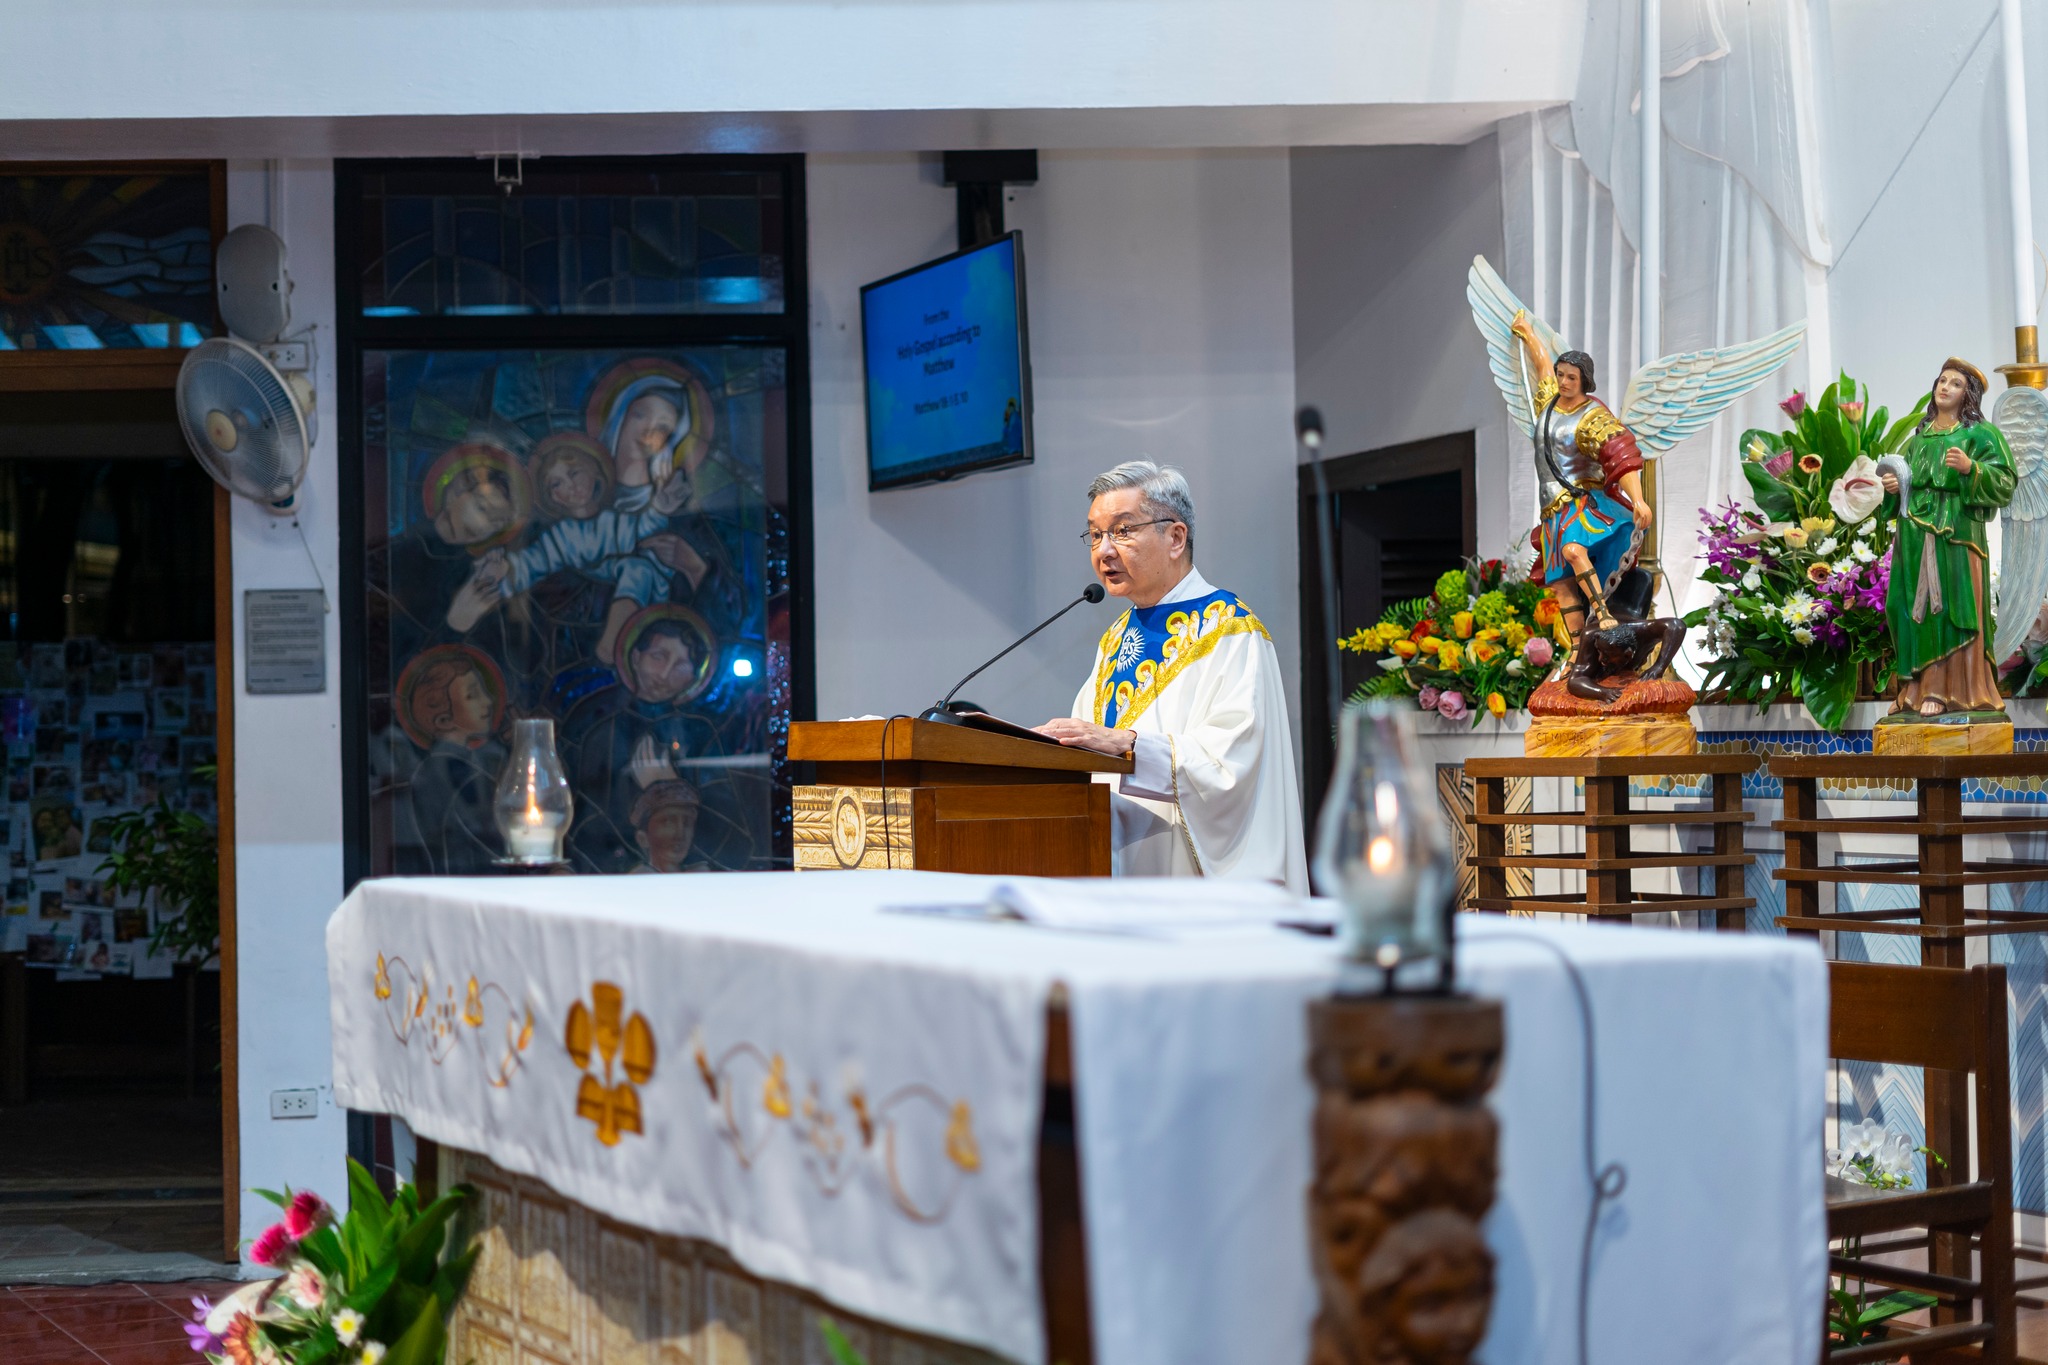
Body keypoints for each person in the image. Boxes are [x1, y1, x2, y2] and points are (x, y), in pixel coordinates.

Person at [1035, 461, 1307, 893]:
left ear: (1176, 537)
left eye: (1122, 530)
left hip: (1189, 883)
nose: (1104, 550)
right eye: (1096, 534)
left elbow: (1232, 766)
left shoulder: (1230, 630)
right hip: (1113, 865)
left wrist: (1129, 744)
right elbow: (1088, 748)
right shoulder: (1116, 638)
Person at [1879, 358, 2016, 716]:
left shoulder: (1980, 435)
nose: (1945, 387)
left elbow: (2005, 482)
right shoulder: (1920, 437)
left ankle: (1948, 689)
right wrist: (1894, 486)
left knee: (1949, 609)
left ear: (1968, 394)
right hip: (1914, 533)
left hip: (1956, 535)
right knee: (1908, 608)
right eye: (1942, 380)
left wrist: (1972, 469)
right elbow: (1905, 481)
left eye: (1955, 383)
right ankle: (1913, 689)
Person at [1507, 312, 1652, 641]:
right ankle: (1576, 650)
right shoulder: (1548, 405)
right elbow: (1542, 367)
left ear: (1584, 381)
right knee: (1561, 584)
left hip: (1581, 503)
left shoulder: (1592, 416)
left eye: (1571, 377)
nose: (1563, 382)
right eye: (1561, 375)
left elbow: (1621, 455)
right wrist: (1528, 334)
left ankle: (1601, 613)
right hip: (1551, 511)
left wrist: (1639, 500)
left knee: (1574, 551)